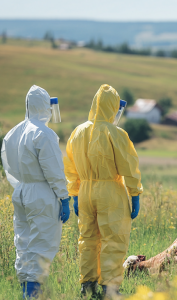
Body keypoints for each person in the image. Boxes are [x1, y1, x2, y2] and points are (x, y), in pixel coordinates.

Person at [64, 84, 143, 297]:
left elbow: (70, 168)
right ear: (113, 107)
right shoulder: (116, 133)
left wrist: (74, 194)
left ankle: (87, 287)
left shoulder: (78, 132)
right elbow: (129, 166)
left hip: (85, 192)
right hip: (111, 192)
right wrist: (135, 194)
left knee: (87, 240)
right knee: (113, 239)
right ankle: (110, 289)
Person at [1, 85, 71, 299]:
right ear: (45, 106)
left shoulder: (15, 131)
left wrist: (22, 186)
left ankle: (25, 292)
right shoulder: (44, 133)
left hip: (21, 191)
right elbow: (54, 170)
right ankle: (32, 296)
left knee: (23, 243)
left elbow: (7, 163)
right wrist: (64, 197)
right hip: (42, 194)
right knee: (40, 246)